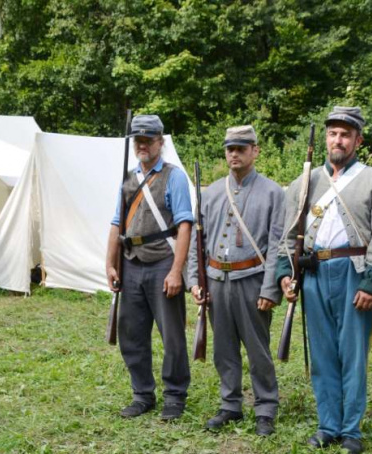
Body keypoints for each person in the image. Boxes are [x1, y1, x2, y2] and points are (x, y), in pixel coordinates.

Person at [277, 106, 372, 454]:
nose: (337, 140)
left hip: (353, 273)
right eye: (332, 133)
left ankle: (351, 430)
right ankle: (327, 425)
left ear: (358, 140)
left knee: (352, 356)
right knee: (323, 354)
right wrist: (286, 272)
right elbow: (287, 233)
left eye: (345, 134)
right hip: (313, 274)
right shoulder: (305, 181)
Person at [187, 125, 285, 434]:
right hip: (217, 281)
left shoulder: (273, 193)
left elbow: (278, 244)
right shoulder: (212, 192)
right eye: (230, 148)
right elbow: (196, 243)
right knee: (223, 349)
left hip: (253, 279)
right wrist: (194, 280)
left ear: (255, 151)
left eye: (242, 148)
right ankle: (230, 405)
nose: (235, 153)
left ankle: (265, 407)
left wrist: (270, 288)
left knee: (258, 350)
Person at [105, 114, 194, 420]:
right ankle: (142, 394)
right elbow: (117, 223)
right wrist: (110, 264)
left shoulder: (174, 176)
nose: (142, 145)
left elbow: (184, 226)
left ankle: (174, 396)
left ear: (160, 141)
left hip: (162, 263)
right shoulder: (127, 178)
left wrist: (176, 271)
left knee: (172, 335)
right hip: (131, 263)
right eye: (138, 140)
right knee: (132, 334)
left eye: (148, 139)